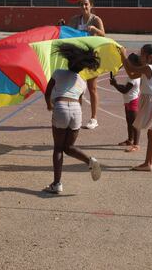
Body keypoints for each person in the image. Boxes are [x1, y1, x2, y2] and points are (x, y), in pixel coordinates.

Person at [44, 43, 103, 193]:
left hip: (61, 107)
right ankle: (90, 160)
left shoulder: (58, 73)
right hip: (76, 110)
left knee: (58, 148)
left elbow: (47, 92)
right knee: (68, 147)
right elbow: (81, 101)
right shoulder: (82, 81)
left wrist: (49, 105)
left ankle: (57, 184)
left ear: (68, 61)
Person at [58, 0, 105, 130]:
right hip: (78, 57)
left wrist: (95, 30)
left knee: (92, 88)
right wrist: (61, 25)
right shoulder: (74, 19)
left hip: (91, 57)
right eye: (81, 5)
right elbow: (67, 33)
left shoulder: (96, 19)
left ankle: (94, 118)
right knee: (77, 88)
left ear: (91, 5)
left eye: (86, 4)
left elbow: (103, 35)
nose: (84, 7)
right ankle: (77, 116)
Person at [110, 53, 141, 153]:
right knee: (129, 121)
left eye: (128, 63)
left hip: (133, 101)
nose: (126, 65)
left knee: (135, 124)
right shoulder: (132, 75)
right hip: (128, 101)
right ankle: (130, 140)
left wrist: (115, 84)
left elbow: (125, 90)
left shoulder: (134, 77)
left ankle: (136, 144)